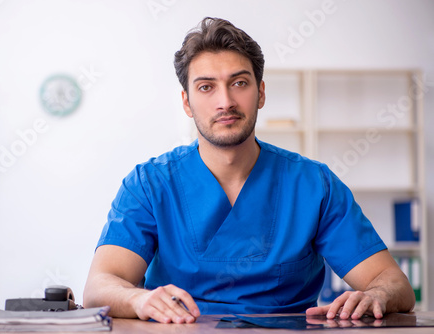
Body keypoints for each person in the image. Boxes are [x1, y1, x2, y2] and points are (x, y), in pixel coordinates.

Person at [83, 17, 415, 324]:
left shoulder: (314, 185)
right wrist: (138, 299)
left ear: (261, 93)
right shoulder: (149, 185)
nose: (224, 101)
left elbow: (393, 283)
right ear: (186, 102)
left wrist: (375, 295)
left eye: (239, 83)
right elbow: (99, 286)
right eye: (206, 87)